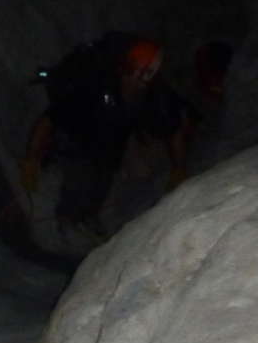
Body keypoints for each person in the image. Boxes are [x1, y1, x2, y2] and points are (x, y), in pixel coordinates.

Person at [21, 32, 166, 230]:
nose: (146, 82)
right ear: (132, 69)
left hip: (105, 148)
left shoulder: (139, 96)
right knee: (79, 176)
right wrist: (32, 158)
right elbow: (49, 119)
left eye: (150, 76)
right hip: (75, 142)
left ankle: (88, 216)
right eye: (145, 74)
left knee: (103, 179)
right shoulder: (94, 87)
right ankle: (67, 220)